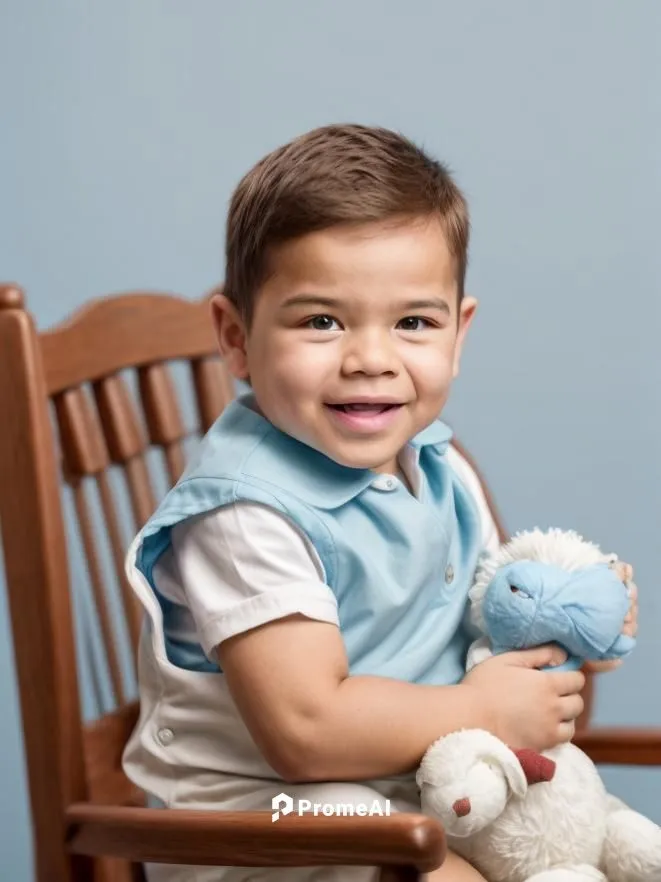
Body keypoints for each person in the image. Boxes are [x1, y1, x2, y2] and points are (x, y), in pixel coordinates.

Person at [122, 124, 638, 882]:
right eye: (321, 321)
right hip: (270, 815)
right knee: (388, 836)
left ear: (457, 335)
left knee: (597, 835)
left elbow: (482, 611)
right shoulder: (243, 515)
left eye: (412, 322)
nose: (370, 358)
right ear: (236, 337)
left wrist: (571, 615)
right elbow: (308, 732)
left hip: (422, 778)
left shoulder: (436, 461)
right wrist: (487, 712)